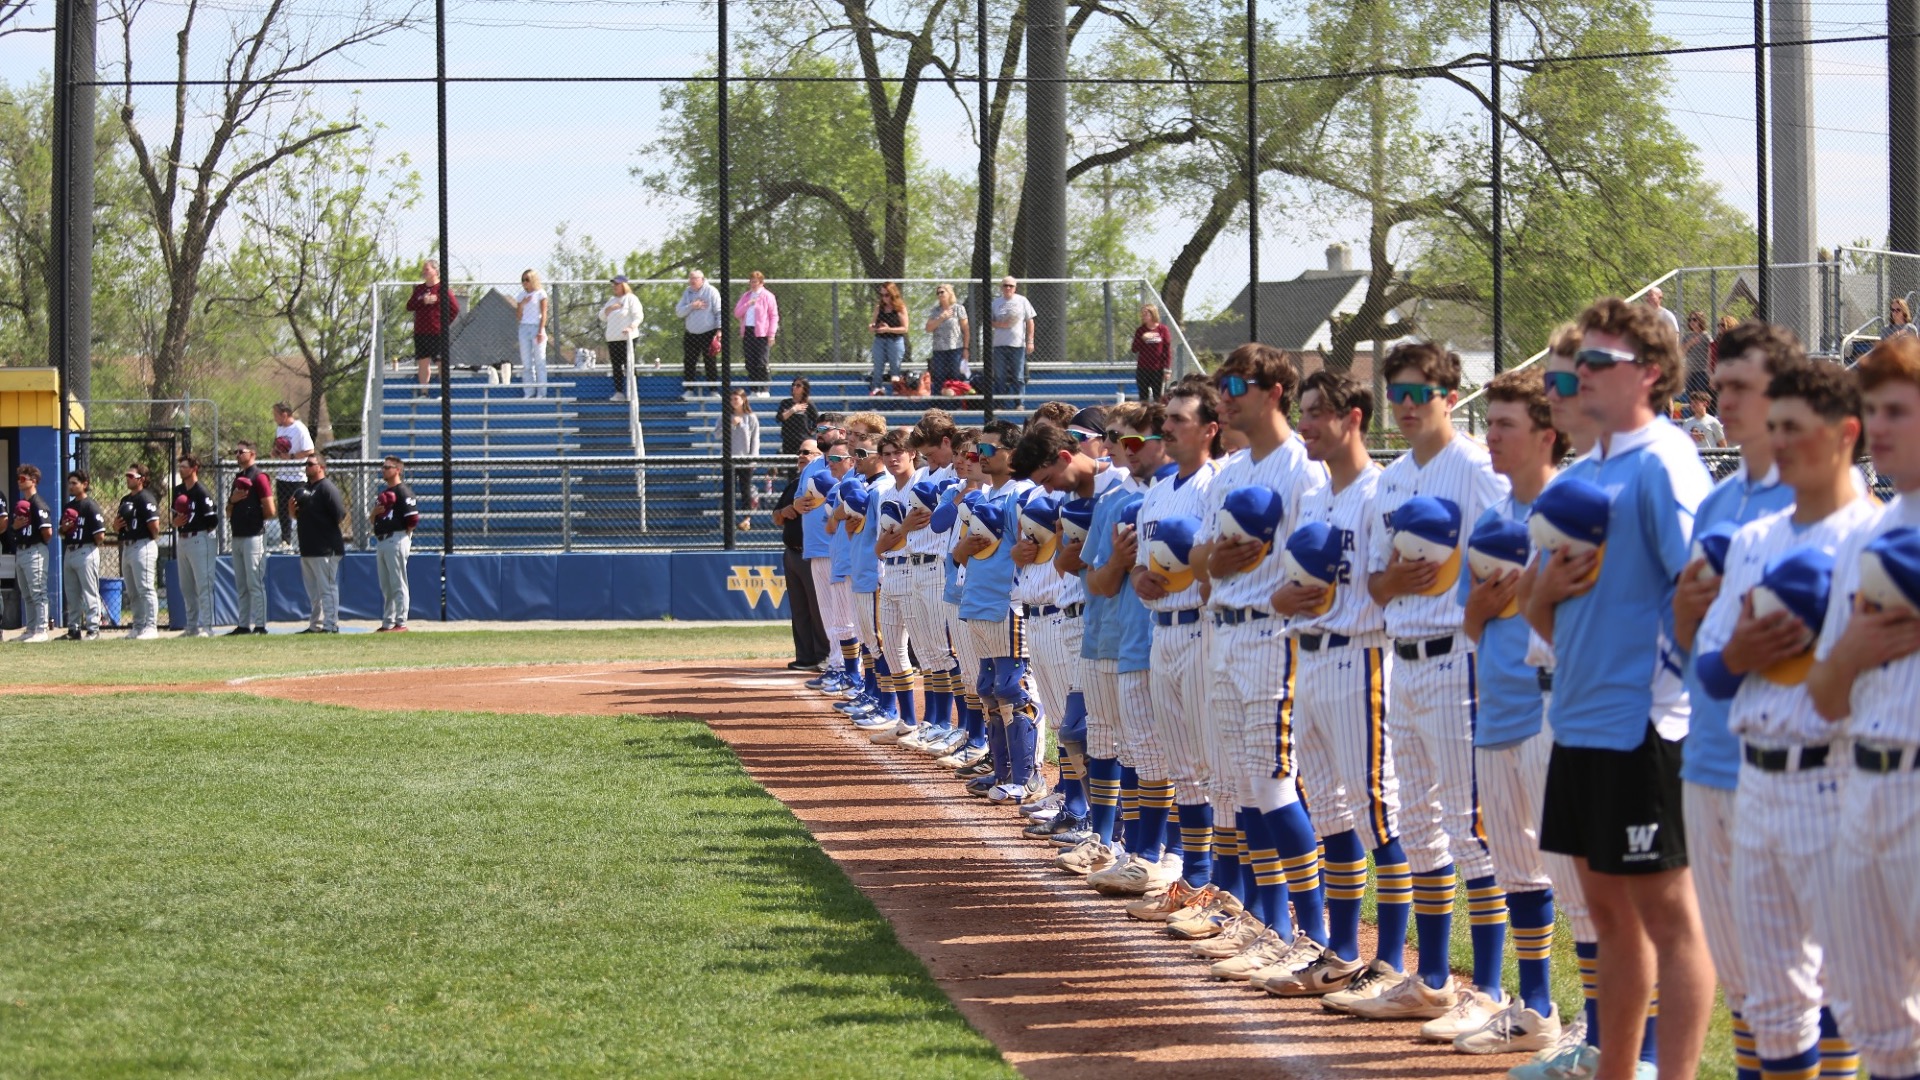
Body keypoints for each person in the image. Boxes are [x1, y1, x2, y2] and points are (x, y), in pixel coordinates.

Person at [1526, 296, 1716, 1079]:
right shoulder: (1592, 467)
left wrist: (1667, 690)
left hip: (1646, 721)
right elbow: (1538, 614)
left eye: (1598, 364)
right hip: (1578, 715)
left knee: (1669, 917)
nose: (1581, 377)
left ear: (1649, 372)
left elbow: (1701, 587)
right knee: (1607, 918)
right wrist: (1553, 589)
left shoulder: (1666, 460)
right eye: (1580, 365)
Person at [1693, 360, 1872, 1080]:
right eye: (1777, 428)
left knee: (1853, 993)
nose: (1781, 442)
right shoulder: (1755, 538)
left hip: (1833, 778)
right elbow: (1709, 670)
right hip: (1755, 778)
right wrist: (1739, 649)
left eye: (1796, 428)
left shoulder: (1875, 538)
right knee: (1770, 999)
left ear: (1844, 435)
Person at [1254, 371, 1413, 1005]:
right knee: (1330, 812)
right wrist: (1281, 596)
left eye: (1318, 413)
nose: (1308, 423)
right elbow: (1281, 587)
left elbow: (1393, 579)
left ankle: (1393, 961)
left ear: (1354, 418)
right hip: (1310, 657)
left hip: (1365, 656)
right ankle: (1343, 953)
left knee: (1380, 808)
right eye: (1304, 412)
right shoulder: (1315, 498)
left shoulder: (1379, 494)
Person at [1446, 368, 1578, 1056]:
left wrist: (1523, 595)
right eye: (1488, 423)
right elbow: (1473, 623)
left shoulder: (1568, 512)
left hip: (1548, 706)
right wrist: (1483, 606)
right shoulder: (1495, 524)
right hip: (1493, 703)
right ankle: (1536, 1008)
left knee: (1576, 878)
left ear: (1546, 435)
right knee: (1517, 867)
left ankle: (1600, 1026)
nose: (1491, 436)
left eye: (1506, 425)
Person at [1190, 344, 1330, 961]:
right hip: (1224, 629)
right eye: (1223, 383)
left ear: (1274, 391)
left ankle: (1314, 933)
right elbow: (1198, 556)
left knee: (1275, 784)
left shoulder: (1303, 470)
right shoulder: (1234, 470)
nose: (1226, 393)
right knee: (1245, 785)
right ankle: (1266, 924)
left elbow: (1321, 564)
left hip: (1275, 638)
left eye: (1237, 383)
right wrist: (1214, 560)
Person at [1806, 334, 1920, 1080]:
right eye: (1871, 409)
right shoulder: (1870, 531)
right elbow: (1822, 694)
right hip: (1863, 783)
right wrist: (1847, 655)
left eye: (1899, 411)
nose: (1877, 427)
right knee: (1871, 1013)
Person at [1127, 380, 1224, 913]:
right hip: (1162, 631)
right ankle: (1193, 876)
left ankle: (1215, 881)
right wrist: (1140, 575)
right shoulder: (1159, 492)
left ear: (1210, 429)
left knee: (1211, 764)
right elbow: (1143, 560)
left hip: (1201, 629)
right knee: (1181, 761)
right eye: (1166, 419)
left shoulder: (1215, 486)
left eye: (1179, 420)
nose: (1166, 428)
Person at [772, 439, 830, 672]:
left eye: (807, 452)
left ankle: (825, 656)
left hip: (814, 553)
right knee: (800, 610)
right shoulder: (796, 483)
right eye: (799, 452)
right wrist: (787, 511)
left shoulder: (826, 483)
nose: (801, 456)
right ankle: (805, 657)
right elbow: (776, 516)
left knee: (820, 609)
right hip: (793, 553)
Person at [291, 455, 347, 634]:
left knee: (327, 589)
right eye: (305, 464)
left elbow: (340, 514)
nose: (306, 467)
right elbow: (297, 516)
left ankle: (331, 625)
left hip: (326, 548)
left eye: (310, 464)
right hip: (308, 547)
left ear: (321, 467)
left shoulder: (326, 488)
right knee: (314, 592)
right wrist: (292, 511)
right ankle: (316, 625)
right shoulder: (306, 489)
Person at [227, 440, 274, 635]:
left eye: (241, 452)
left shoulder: (259, 477)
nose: (237, 455)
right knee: (241, 583)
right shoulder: (238, 478)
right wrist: (232, 500)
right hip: (237, 535)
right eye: (235, 452)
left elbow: (270, 510)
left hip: (254, 536)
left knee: (254, 581)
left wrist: (253, 517)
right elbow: (228, 511)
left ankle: (261, 625)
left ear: (252, 454)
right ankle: (243, 624)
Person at [172, 454, 220, 638]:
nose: (181, 469)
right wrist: (175, 522)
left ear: (194, 469)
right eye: (180, 466)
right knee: (186, 586)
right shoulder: (178, 491)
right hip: (182, 538)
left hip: (200, 538)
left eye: (184, 466)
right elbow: (174, 516)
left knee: (203, 585)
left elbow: (212, 520)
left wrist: (200, 530)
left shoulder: (201, 492)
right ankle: (192, 626)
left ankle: (207, 627)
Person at [371, 456, 419, 633]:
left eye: (387, 467)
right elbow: (372, 520)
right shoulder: (384, 494)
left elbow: (413, 519)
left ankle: (401, 622)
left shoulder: (403, 491)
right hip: (382, 540)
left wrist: (404, 536)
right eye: (383, 467)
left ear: (397, 470)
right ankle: (388, 622)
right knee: (386, 584)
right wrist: (374, 512)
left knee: (398, 582)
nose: (383, 470)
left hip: (397, 538)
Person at [59, 470, 107, 641]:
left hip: (86, 550)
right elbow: (61, 533)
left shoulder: (90, 506)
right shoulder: (68, 507)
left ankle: (94, 629)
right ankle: (74, 629)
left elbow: (100, 535)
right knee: (72, 594)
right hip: (70, 551)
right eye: (70, 483)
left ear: (84, 484)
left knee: (89, 592)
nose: (71, 486)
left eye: (74, 483)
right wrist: (64, 529)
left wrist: (88, 542)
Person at [115, 465, 162, 640]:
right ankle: (138, 626)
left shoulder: (146, 498)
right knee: (133, 591)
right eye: (127, 475)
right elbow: (117, 525)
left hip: (143, 545)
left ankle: (151, 627)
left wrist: (148, 539)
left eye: (131, 475)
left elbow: (155, 526)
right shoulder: (125, 499)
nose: (128, 478)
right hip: (127, 546)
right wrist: (115, 526)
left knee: (146, 588)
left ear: (141, 478)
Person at [404, 259, 459, 399]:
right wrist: (423, 300)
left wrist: (443, 324)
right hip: (421, 331)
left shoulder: (442, 289)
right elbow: (409, 306)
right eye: (424, 269)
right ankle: (424, 392)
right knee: (423, 362)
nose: (424, 272)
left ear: (435, 271)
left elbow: (455, 308)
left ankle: (444, 393)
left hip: (437, 332)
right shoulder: (419, 289)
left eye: (427, 269)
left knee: (440, 362)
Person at [10, 464, 53, 641]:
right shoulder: (23, 504)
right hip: (22, 551)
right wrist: (15, 527)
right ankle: (31, 628)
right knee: (26, 593)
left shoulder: (37, 503)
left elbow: (48, 533)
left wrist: (35, 541)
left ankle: (41, 630)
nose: (19, 482)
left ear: (33, 481)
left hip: (35, 549)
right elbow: (14, 530)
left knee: (37, 592)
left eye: (23, 479)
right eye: (18, 478)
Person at [717, 387, 762, 530]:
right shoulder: (725, 416)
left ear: (743, 400)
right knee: (729, 490)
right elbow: (717, 435)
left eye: (736, 398)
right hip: (729, 459)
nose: (733, 401)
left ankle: (746, 519)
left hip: (745, 459)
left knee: (745, 490)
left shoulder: (751, 417)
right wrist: (730, 424)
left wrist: (753, 459)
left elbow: (755, 440)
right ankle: (728, 520)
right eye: (731, 399)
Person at [272, 402, 315, 549]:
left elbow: (309, 450)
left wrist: (291, 457)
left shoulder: (299, 428)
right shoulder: (279, 428)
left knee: (300, 508)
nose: (274, 418)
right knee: (283, 508)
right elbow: (278, 446)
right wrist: (276, 452)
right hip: (282, 475)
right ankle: (286, 540)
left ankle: (306, 537)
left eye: (276, 415)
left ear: (284, 414)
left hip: (297, 476)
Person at [676, 270, 723, 394]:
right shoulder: (687, 292)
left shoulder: (711, 291)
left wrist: (719, 330)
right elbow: (679, 312)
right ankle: (689, 389)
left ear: (702, 279)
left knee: (710, 362)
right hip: (691, 334)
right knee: (689, 362)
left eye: (695, 278)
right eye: (690, 278)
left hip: (708, 332)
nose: (692, 281)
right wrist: (692, 306)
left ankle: (713, 390)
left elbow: (719, 311)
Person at [990, 276, 1037, 401]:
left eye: (1011, 285)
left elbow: (1030, 322)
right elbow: (989, 321)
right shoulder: (995, 303)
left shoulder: (1022, 301)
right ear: (1001, 287)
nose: (1008, 288)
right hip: (999, 345)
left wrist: (1030, 341)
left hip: (1018, 345)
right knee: (1000, 376)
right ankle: (1000, 403)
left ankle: (1019, 402)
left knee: (1018, 376)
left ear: (1015, 288)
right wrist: (1001, 324)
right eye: (1005, 285)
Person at [733, 270, 779, 397]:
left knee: (761, 362)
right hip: (748, 331)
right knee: (750, 362)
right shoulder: (746, 296)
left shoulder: (768, 296)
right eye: (751, 282)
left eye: (755, 282)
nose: (753, 284)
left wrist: (771, 334)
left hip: (762, 333)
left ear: (761, 283)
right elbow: (737, 313)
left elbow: (774, 316)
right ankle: (754, 389)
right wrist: (748, 304)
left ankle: (764, 389)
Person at [600, 274, 643, 402]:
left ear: (624, 285)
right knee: (616, 366)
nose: (615, 287)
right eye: (614, 284)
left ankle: (632, 392)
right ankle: (619, 392)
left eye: (617, 284)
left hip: (627, 338)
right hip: (613, 338)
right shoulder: (612, 300)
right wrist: (611, 308)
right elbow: (602, 316)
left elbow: (638, 316)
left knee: (629, 364)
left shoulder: (631, 299)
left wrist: (631, 327)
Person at [925, 284, 971, 390]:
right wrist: (941, 318)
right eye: (938, 293)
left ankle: (956, 404)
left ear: (949, 293)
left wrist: (965, 348)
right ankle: (939, 404)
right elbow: (928, 328)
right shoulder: (935, 311)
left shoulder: (958, 309)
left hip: (955, 349)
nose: (940, 295)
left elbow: (966, 330)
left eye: (942, 292)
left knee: (955, 376)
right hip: (939, 350)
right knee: (939, 376)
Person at [512, 269, 550, 399]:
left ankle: (542, 392)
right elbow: (518, 316)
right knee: (527, 363)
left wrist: (540, 330)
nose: (524, 282)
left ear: (533, 280)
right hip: (524, 328)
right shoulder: (521, 295)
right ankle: (529, 391)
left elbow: (544, 313)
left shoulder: (541, 293)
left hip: (536, 328)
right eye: (522, 280)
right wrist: (522, 305)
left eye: (527, 279)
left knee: (539, 361)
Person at [869, 282, 908, 392]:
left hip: (895, 341)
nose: (884, 298)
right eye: (882, 295)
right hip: (880, 340)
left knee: (895, 369)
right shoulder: (879, 308)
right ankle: (877, 390)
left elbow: (905, 328)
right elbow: (872, 323)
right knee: (878, 368)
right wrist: (873, 327)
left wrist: (888, 329)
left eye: (886, 295)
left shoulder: (900, 308)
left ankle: (897, 394)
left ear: (893, 294)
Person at [1133, 304, 1172, 402]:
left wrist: (1167, 369)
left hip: (1157, 369)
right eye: (1142, 314)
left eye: (1146, 313)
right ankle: (1144, 415)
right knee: (1143, 397)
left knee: (1158, 397)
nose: (1143, 316)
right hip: (1143, 368)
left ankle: (1158, 416)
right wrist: (1142, 338)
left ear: (1153, 314)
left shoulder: (1163, 329)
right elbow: (1134, 349)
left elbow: (1167, 350)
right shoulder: (1140, 330)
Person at [777, 377, 819, 456]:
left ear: (804, 389)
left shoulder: (808, 404)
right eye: (793, 385)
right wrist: (793, 410)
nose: (794, 387)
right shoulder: (785, 403)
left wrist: (811, 431)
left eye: (798, 385)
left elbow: (818, 421)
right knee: (790, 465)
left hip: (802, 440)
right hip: (788, 440)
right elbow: (779, 418)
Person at [1680, 310, 1712, 396]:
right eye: (1690, 320)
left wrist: (1710, 372)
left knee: (1700, 396)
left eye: (1694, 320)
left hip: (1702, 371)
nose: (1691, 322)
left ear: (1701, 321)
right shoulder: (1687, 336)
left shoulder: (1706, 336)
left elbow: (1711, 352)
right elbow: (1681, 353)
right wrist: (1690, 343)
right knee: (1689, 396)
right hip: (1690, 372)